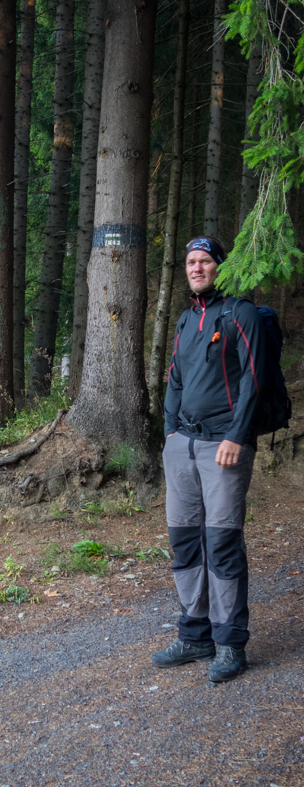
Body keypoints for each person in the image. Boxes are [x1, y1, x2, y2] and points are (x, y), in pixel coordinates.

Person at [152, 235, 266, 682]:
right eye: (190, 262)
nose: (196, 268)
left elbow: (254, 380)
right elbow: (175, 381)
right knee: (184, 541)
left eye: (205, 261)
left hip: (225, 446)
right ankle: (195, 634)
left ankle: (230, 643)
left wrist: (237, 435)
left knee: (221, 542)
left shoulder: (241, 314)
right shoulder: (184, 320)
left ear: (220, 267)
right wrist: (169, 433)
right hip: (184, 445)